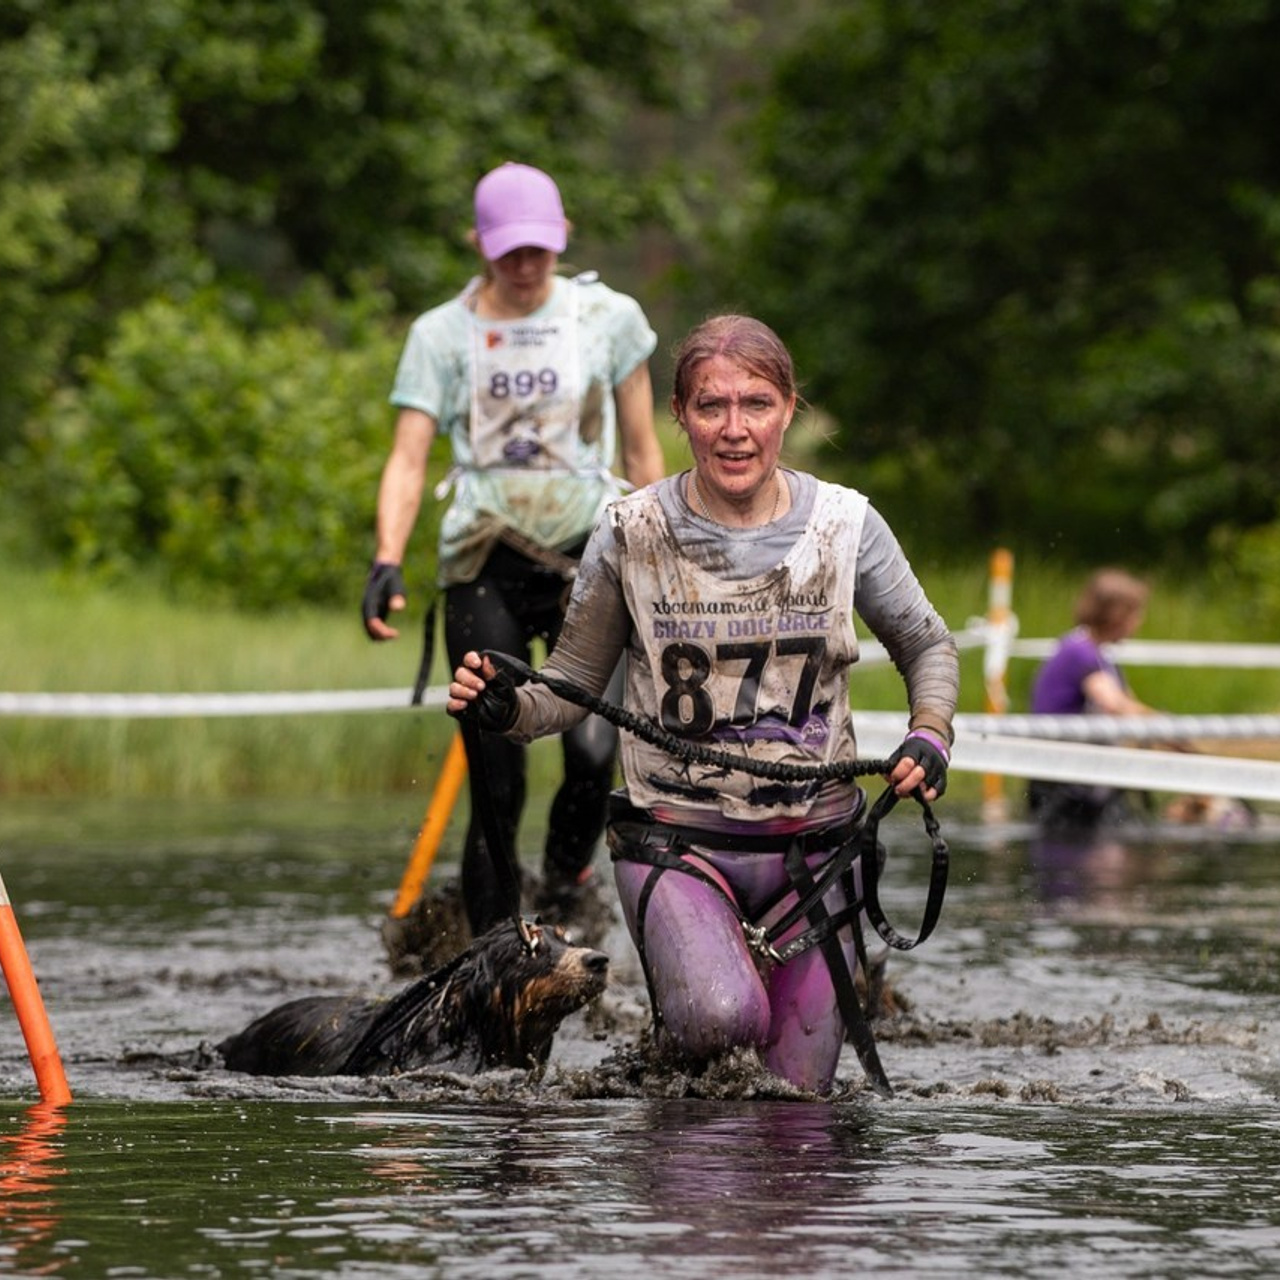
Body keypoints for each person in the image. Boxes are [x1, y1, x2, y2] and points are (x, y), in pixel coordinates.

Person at [447, 314, 959, 1095]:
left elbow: (929, 646)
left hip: (817, 849)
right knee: (721, 1022)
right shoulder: (629, 531)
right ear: (680, 416)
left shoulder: (847, 524)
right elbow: (570, 690)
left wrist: (930, 734)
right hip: (676, 841)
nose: (734, 429)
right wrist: (503, 706)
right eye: (711, 406)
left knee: (799, 1103)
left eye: (755, 404)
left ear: (790, 409)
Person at [363, 162, 665, 938]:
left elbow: (642, 452)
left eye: (539, 250)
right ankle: (492, 957)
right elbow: (408, 456)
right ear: (480, 245)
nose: (526, 267)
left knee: (595, 752)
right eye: (509, 253)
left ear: (561, 240)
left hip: (588, 556)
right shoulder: (440, 334)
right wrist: (387, 558)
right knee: (497, 770)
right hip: (483, 563)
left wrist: (664, 556)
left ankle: (568, 883)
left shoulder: (609, 318)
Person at [1026, 568, 1154, 830]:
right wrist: (1164, 723)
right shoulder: (1080, 652)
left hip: (1080, 778)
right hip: (1062, 783)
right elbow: (1114, 703)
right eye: (1135, 613)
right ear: (1118, 614)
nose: (1139, 621)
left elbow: (1129, 704)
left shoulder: (1100, 657)